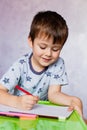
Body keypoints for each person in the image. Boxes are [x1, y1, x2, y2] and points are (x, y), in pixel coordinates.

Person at [0, 10, 83, 117]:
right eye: (43, 47)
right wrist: (17, 102)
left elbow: (53, 94)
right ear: (31, 41)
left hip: (42, 117)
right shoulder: (21, 65)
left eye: (55, 49)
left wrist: (74, 100)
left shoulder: (58, 64)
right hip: (19, 115)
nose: (48, 53)